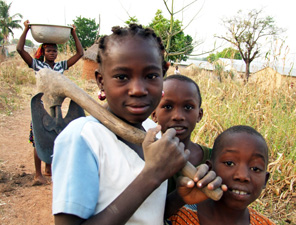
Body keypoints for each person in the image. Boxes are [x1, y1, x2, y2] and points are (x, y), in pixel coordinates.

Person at [52, 24, 223, 225]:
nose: (138, 90)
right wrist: (151, 176)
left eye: (151, 76)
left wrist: (180, 198)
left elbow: (145, 215)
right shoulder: (83, 138)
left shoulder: (154, 132)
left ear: (163, 74)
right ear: (100, 81)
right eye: (122, 77)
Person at [16, 20, 84, 185]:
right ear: (43, 52)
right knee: (39, 138)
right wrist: (26, 29)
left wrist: (74, 33)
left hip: (57, 108)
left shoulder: (61, 66)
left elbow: (80, 54)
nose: (52, 53)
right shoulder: (37, 64)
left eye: (54, 50)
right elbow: (19, 49)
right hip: (41, 107)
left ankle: (49, 168)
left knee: (55, 135)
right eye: (49, 50)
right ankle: (37, 174)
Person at [167, 125, 274, 225]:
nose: (242, 176)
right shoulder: (176, 217)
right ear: (209, 168)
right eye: (229, 163)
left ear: (265, 180)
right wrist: (177, 199)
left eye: (255, 168)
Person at [151, 75, 211, 194]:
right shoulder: (144, 160)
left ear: (199, 115)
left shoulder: (214, 159)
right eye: (168, 107)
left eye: (188, 107)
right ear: (154, 115)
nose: (178, 116)